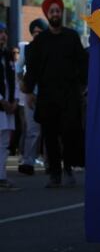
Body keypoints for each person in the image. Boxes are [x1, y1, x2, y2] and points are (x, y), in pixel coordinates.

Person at [23, 0, 88, 187]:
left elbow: (82, 62)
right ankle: (55, 174)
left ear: (61, 13)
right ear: (47, 14)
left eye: (57, 11)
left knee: (69, 133)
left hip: (68, 95)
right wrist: (28, 91)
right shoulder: (40, 41)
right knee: (50, 136)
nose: (55, 14)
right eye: (51, 11)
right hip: (47, 95)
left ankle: (68, 168)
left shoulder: (72, 36)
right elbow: (32, 67)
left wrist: (86, 85)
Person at [15, 18, 48, 175]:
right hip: (31, 95)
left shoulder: (50, 49)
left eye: (40, 33)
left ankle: (51, 163)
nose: (37, 35)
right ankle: (28, 161)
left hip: (49, 95)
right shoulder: (26, 49)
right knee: (32, 130)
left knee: (49, 131)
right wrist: (24, 86)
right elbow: (18, 68)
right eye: (34, 33)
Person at [0, 23, 19, 191]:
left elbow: (13, 81)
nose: (3, 36)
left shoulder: (8, 56)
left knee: (4, 144)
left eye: (5, 32)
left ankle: (2, 177)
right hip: (1, 106)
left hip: (8, 107)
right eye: (0, 33)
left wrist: (14, 101)